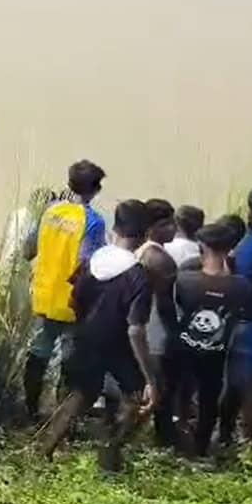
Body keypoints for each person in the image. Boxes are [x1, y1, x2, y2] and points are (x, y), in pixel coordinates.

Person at [41, 200, 157, 473]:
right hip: (119, 345)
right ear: (145, 235)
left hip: (84, 337)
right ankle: (110, 451)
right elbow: (136, 329)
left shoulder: (90, 262)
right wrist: (150, 376)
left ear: (115, 228)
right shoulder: (137, 276)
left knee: (81, 394)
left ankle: (45, 449)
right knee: (137, 398)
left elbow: (74, 301)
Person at [22, 160, 108, 421]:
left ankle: (31, 411)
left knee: (38, 354)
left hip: (43, 294)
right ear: (96, 189)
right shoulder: (93, 221)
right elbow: (87, 263)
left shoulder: (50, 211)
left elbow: (28, 250)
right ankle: (62, 419)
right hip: (72, 301)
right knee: (70, 361)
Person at [164, 221, 252, 456]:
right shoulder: (242, 286)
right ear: (231, 248)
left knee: (176, 391)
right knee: (209, 398)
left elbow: (174, 309)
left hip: (183, 346)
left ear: (202, 246)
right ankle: (201, 447)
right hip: (216, 352)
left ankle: (173, 435)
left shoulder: (185, 280)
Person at [137, 199, 179, 445]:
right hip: (157, 329)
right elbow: (165, 304)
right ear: (151, 227)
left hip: (144, 326)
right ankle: (164, 438)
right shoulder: (160, 259)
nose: (173, 228)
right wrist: (176, 331)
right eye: (166, 224)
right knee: (162, 387)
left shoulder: (142, 251)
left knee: (150, 384)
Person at [224, 189, 252, 444]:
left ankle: (244, 439)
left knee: (246, 386)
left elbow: (239, 290)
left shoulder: (248, 247)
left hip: (250, 324)